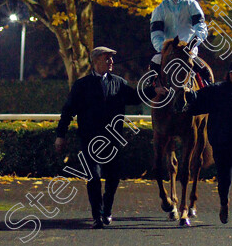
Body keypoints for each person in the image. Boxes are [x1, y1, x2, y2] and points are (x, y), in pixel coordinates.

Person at [54, 46, 165, 229]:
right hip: (90, 140)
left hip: (113, 140)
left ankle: (107, 209)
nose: (111, 62)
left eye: (112, 59)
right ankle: (97, 216)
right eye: (107, 59)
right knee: (94, 177)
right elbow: (68, 111)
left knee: (113, 177)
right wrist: (60, 135)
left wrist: (155, 91)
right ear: (95, 61)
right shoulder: (82, 86)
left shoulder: (119, 83)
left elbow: (136, 97)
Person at [181, 58, 232, 229]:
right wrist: (188, 93)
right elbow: (199, 98)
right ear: (228, 74)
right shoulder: (217, 89)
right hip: (221, 141)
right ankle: (224, 204)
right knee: (224, 179)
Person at [149, 0, 213, 86]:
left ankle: (208, 93)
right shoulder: (159, 9)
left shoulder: (192, 5)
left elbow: (201, 28)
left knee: (204, 72)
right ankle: (151, 90)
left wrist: (192, 44)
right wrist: (163, 49)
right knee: (153, 65)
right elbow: (156, 35)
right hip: (168, 51)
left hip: (188, 50)